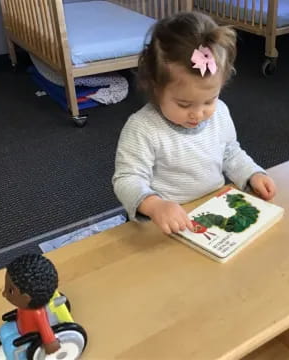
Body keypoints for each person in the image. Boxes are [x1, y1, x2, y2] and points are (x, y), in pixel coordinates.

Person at [113, 12, 277, 235]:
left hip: (213, 209)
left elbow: (230, 153)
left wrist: (252, 174)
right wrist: (155, 205)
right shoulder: (142, 128)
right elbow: (127, 178)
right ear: (154, 86)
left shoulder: (220, 112)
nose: (198, 114)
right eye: (183, 104)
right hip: (165, 223)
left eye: (209, 100)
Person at [0, 254, 60, 356]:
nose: (4, 294)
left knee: (10, 344)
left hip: (31, 336)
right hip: (21, 327)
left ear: (26, 298)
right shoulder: (24, 306)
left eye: (10, 291)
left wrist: (51, 344)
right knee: (4, 330)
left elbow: (45, 329)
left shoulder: (37, 313)